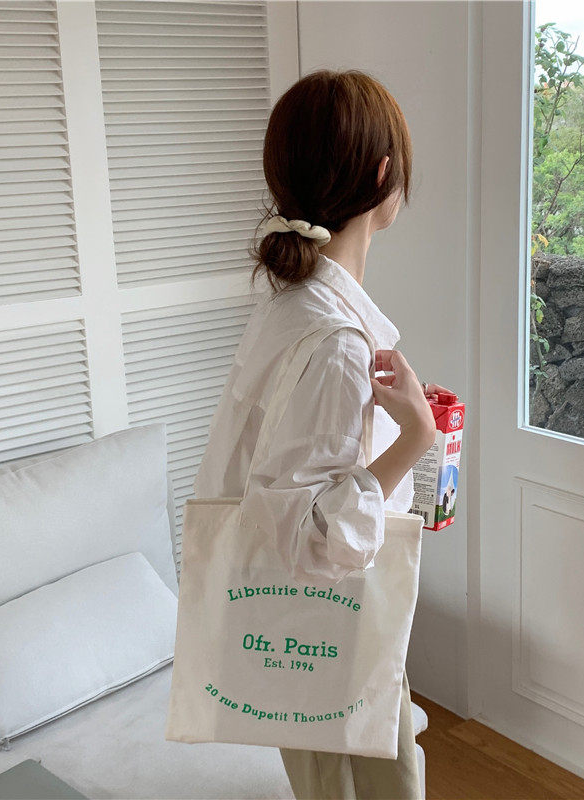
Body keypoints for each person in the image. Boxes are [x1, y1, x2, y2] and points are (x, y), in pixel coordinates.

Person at [193, 68, 451, 800]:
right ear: (383, 174)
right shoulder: (335, 340)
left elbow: (284, 469)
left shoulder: (292, 305)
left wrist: (387, 422)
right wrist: (414, 439)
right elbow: (312, 538)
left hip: (286, 623)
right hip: (328, 625)